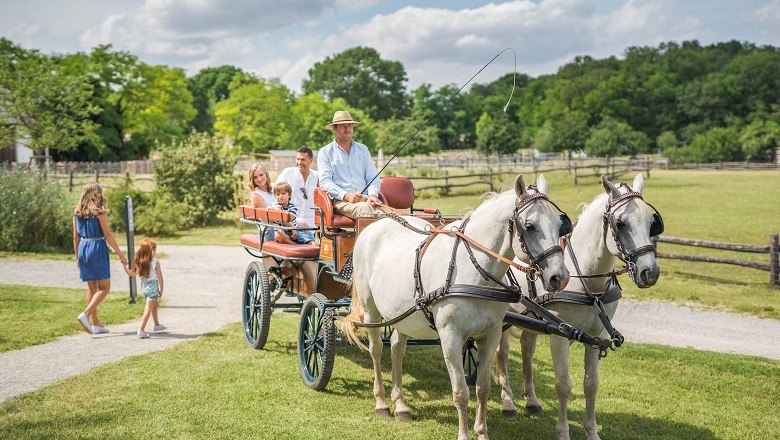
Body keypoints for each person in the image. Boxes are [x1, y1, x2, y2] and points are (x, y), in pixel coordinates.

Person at [73, 182, 128, 334]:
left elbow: (75, 237)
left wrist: (78, 256)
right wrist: (121, 255)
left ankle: (96, 324)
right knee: (104, 288)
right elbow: (108, 235)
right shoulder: (99, 212)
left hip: (83, 248)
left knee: (92, 288)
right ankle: (86, 314)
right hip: (96, 248)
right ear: (97, 195)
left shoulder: (77, 212)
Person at [318, 110, 383, 218]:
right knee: (366, 210)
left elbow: (372, 177)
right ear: (334, 128)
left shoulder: (363, 149)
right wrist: (347, 196)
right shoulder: (325, 152)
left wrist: (372, 195)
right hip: (341, 201)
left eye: (350, 126)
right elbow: (325, 182)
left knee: (391, 215)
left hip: (365, 199)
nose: (348, 129)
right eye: (343, 126)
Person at [122, 238, 166, 339]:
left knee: (155, 303)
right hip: (153, 287)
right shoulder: (155, 261)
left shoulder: (138, 261)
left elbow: (131, 273)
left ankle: (156, 325)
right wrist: (161, 289)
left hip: (144, 288)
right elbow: (160, 276)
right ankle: (141, 330)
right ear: (151, 250)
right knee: (148, 309)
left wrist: (124, 266)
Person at [276, 146, 318, 229]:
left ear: (311, 161)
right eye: (297, 159)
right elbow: (276, 194)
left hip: (312, 225)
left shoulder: (317, 176)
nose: (299, 162)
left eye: (302, 159)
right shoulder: (287, 173)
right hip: (291, 224)